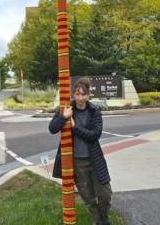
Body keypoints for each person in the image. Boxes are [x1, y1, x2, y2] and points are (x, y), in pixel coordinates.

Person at [49, 77, 112, 225]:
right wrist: (64, 116)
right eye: (77, 94)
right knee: (88, 197)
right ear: (73, 94)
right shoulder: (66, 109)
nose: (80, 98)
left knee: (105, 193)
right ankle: (99, 222)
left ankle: (105, 219)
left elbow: (94, 135)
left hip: (94, 159)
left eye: (83, 94)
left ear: (88, 95)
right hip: (76, 162)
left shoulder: (94, 111)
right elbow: (52, 128)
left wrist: (74, 126)